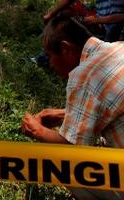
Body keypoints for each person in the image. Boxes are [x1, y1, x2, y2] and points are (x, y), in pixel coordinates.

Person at [22, 14, 124, 200]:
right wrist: (64, 115)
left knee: (62, 163)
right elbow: (111, 104)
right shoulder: (119, 48)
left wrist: (37, 130)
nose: (50, 64)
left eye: (49, 56)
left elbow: (72, 150)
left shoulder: (83, 75)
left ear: (65, 48)